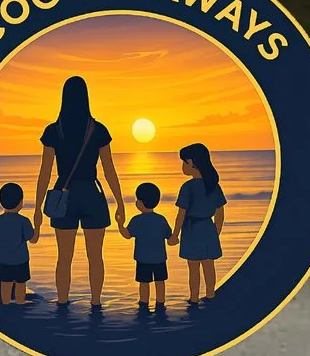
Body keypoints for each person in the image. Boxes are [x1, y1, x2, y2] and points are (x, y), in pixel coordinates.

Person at [30, 75, 123, 307]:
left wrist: (38, 207)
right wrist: (120, 202)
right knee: (95, 257)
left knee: (64, 258)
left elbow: (45, 172)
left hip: (64, 195)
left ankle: (62, 302)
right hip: (92, 194)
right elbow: (109, 169)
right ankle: (96, 303)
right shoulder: (98, 130)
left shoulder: (54, 131)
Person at [172, 144, 225, 302]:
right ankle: (211, 294)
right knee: (209, 266)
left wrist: (175, 235)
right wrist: (216, 231)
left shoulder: (187, 187)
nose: (182, 166)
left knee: (193, 268)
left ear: (192, 163)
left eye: (184, 162)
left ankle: (194, 297)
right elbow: (220, 212)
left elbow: (181, 214)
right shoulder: (213, 186)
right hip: (208, 228)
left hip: (192, 229)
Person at [120, 183, 173, 311]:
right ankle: (160, 302)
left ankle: (144, 302)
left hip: (143, 258)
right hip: (159, 258)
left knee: (144, 282)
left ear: (140, 202)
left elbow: (127, 235)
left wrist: (120, 224)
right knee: (160, 281)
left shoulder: (136, 220)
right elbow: (169, 236)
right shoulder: (161, 219)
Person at [0, 182, 35, 304]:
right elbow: (33, 239)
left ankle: (5, 303)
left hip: (4, 262)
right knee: (20, 284)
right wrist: (37, 227)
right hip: (21, 261)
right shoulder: (24, 221)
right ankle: (20, 302)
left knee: (5, 284)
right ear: (21, 203)